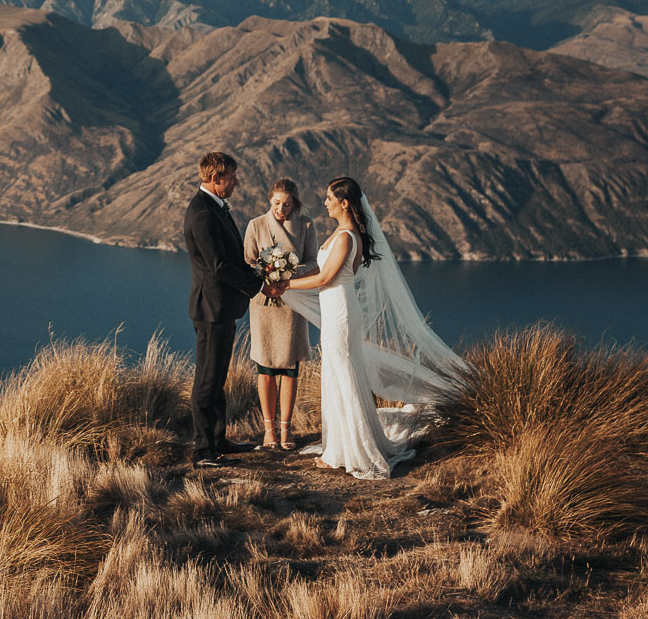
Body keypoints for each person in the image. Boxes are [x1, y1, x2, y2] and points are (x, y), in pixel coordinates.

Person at [282, 175, 467, 479]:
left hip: (340, 310)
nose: (325, 202)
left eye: (330, 198)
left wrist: (285, 284)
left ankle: (351, 450)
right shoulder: (344, 233)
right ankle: (339, 447)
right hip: (338, 308)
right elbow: (331, 273)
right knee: (339, 375)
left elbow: (326, 279)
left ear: (344, 202)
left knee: (343, 376)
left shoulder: (345, 237)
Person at [181, 150, 265, 467]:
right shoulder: (202, 212)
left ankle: (218, 440)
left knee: (217, 378)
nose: (236, 183)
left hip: (222, 308)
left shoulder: (214, 207)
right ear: (216, 179)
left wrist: (255, 275)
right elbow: (219, 265)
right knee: (206, 379)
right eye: (232, 177)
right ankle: (202, 451)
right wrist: (259, 285)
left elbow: (230, 260)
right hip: (211, 309)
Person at [243, 178, 317, 450]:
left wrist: (287, 272)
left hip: (292, 303)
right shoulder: (256, 225)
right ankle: (268, 432)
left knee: (289, 369)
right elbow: (248, 262)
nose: (281, 209)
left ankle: (286, 430)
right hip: (263, 304)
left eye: (287, 204)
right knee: (265, 368)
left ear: (294, 204)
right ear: (269, 200)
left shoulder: (307, 225)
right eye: (276, 203)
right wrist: (266, 274)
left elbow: (313, 263)